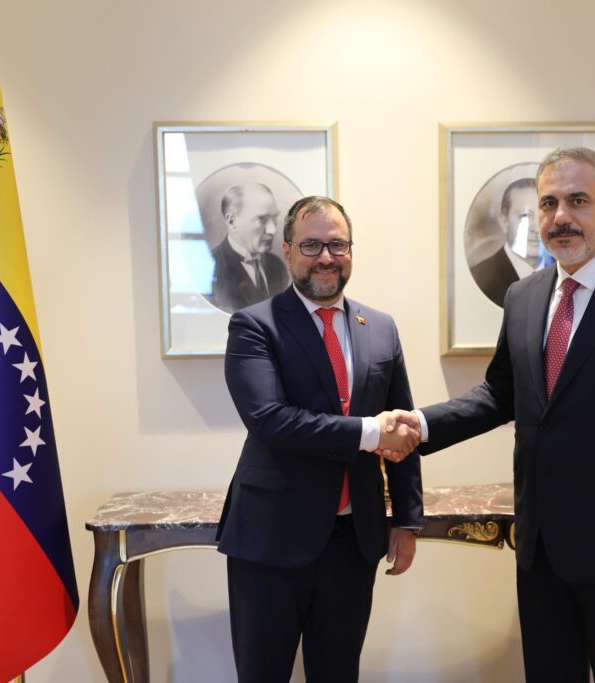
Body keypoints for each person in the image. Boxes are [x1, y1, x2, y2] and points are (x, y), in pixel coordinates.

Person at [388, 147, 595, 682]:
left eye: (578, 201)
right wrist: (420, 425)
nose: (561, 217)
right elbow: (500, 395)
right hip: (541, 550)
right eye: (549, 203)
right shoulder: (524, 296)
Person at [218, 195, 424, 683]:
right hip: (271, 540)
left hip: (354, 542)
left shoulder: (380, 327)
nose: (326, 257)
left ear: (351, 250)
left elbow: (404, 428)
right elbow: (270, 420)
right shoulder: (254, 326)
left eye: (337, 245)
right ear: (287, 251)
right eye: (311, 245)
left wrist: (407, 520)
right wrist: (369, 432)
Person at [199, 182, 291, 312]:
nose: (273, 230)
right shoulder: (208, 268)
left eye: (274, 218)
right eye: (261, 219)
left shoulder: (276, 265)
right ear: (232, 222)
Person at [469, 177, 553, 307]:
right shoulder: (480, 277)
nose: (536, 228)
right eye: (525, 216)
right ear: (504, 222)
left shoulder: (565, 272)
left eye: (542, 216)